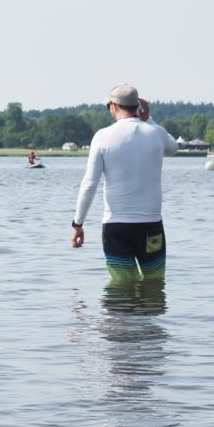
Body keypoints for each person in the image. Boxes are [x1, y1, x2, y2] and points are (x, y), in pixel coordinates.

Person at [71, 83, 179, 281]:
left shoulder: (102, 137)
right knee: (154, 283)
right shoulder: (156, 133)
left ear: (113, 106)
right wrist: (150, 120)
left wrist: (78, 224)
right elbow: (174, 147)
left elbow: (89, 184)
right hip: (151, 227)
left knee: (122, 286)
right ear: (138, 106)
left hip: (116, 228)